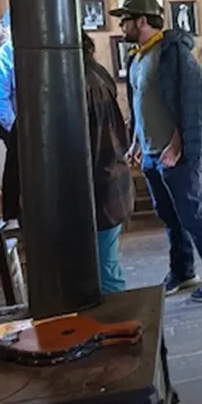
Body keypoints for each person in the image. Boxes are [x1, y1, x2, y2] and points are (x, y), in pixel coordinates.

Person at [113, 0, 202, 303]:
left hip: (176, 153)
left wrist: (177, 144)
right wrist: (136, 141)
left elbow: (192, 103)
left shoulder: (174, 54)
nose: (120, 25)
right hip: (152, 153)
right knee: (170, 215)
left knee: (193, 213)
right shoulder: (138, 57)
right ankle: (183, 271)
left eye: (125, 19)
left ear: (141, 21)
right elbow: (141, 105)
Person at [81, 33, 134, 293]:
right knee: (103, 267)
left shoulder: (86, 83)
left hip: (103, 182)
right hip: (111, 175)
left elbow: (91, 141)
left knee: (105, 273)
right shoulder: (96, 73)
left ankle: (121, 328)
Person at [0, 15, 21, 222]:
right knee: (16, 169)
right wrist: (15, 128)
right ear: (7, 29)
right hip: (14, 125)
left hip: (32, 125)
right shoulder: (3, 58)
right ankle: (12, 216)